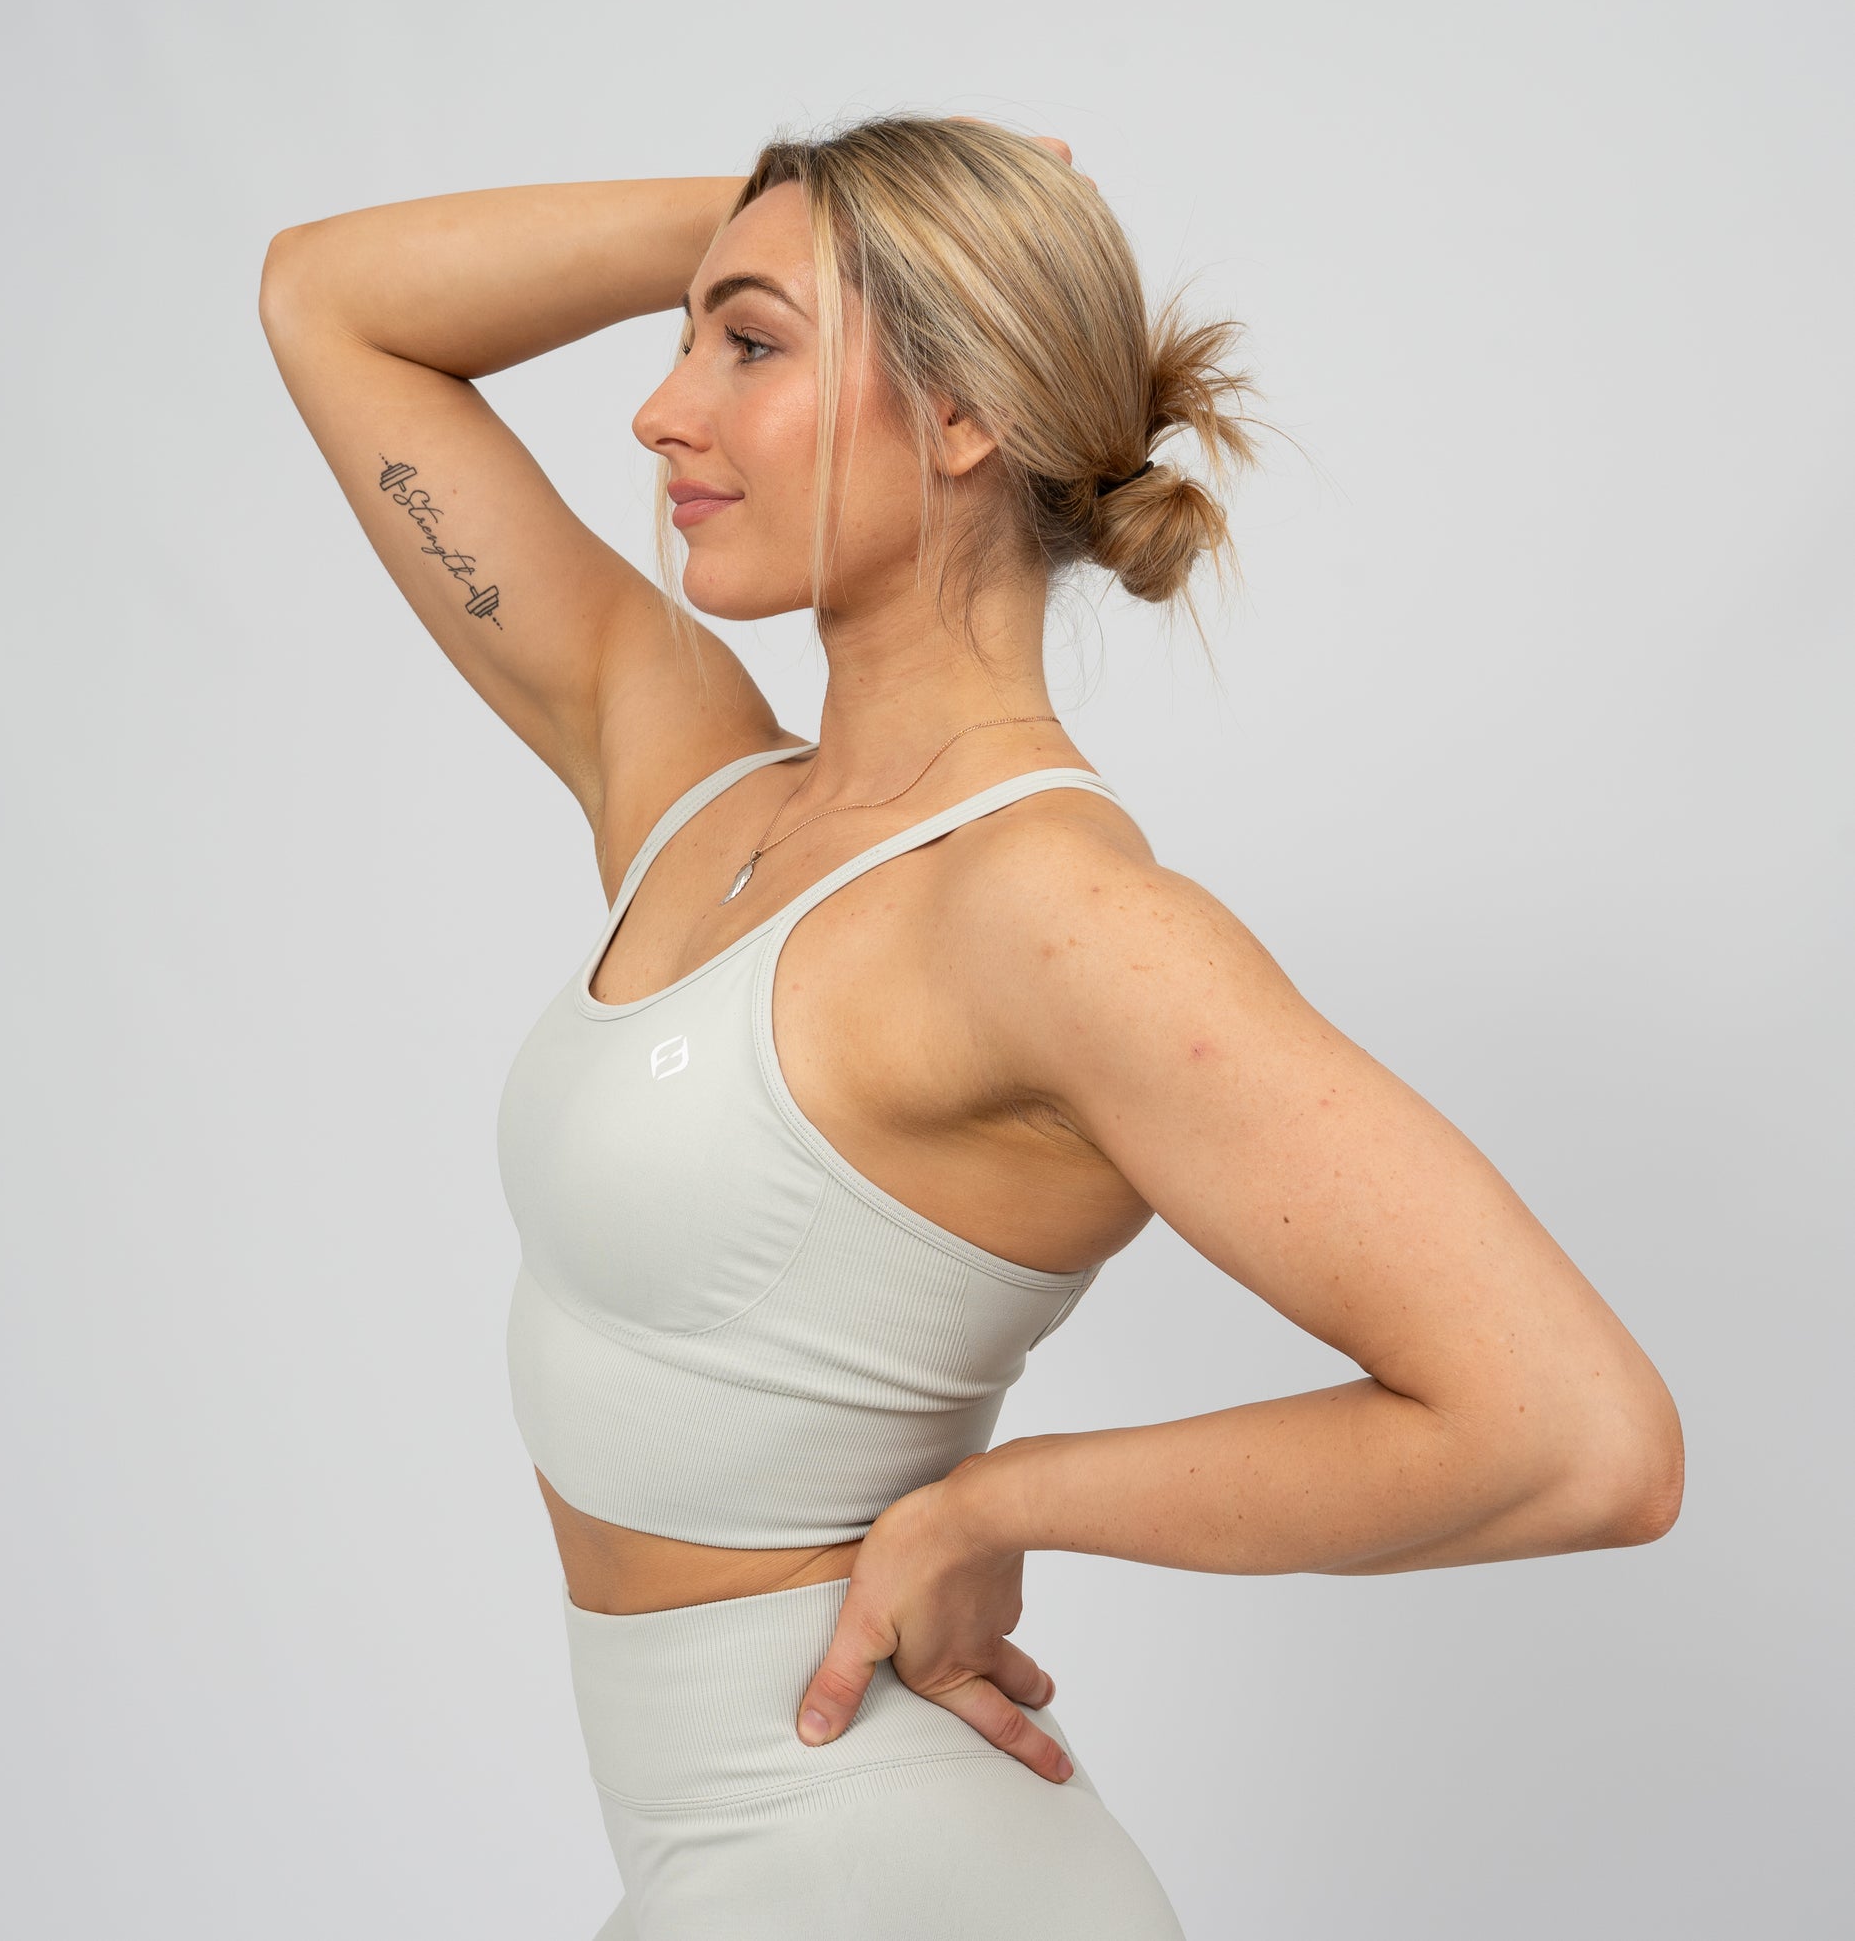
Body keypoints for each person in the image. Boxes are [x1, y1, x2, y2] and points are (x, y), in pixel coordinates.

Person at [258, 111, 1684, 1940]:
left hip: (881, 1868)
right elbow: (328, 300)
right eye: (689, 337)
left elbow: (1576, 1433)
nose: (659, 411)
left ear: (959, 414)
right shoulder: (692, 788)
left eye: (749, 344)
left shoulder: (1052, 918)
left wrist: (1001, 1503)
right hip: (729, 1860)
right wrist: (814, 219)